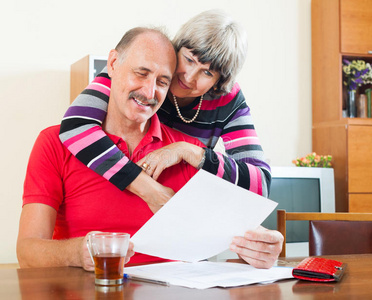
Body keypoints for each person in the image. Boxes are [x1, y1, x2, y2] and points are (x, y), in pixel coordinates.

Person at [18, 27, 283, 270]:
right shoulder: (55, 142)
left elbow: (235, 226)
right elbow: (28, 252)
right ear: (112, 64)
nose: (149, 91)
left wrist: (261, 245)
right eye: (141, 73)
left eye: (162, 82)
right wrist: (78, 253)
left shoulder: (188, 151)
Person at [59, 10, 272, 212]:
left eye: (207, 72)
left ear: (219, 82)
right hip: (116, 189)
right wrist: (144, 186)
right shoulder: (144, 66)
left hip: (178, 206)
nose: (189, 77)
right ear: (177, 48)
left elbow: (260, 182)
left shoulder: (228, 99)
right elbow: (76, 124)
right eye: (188, 59)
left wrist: (188, 151)